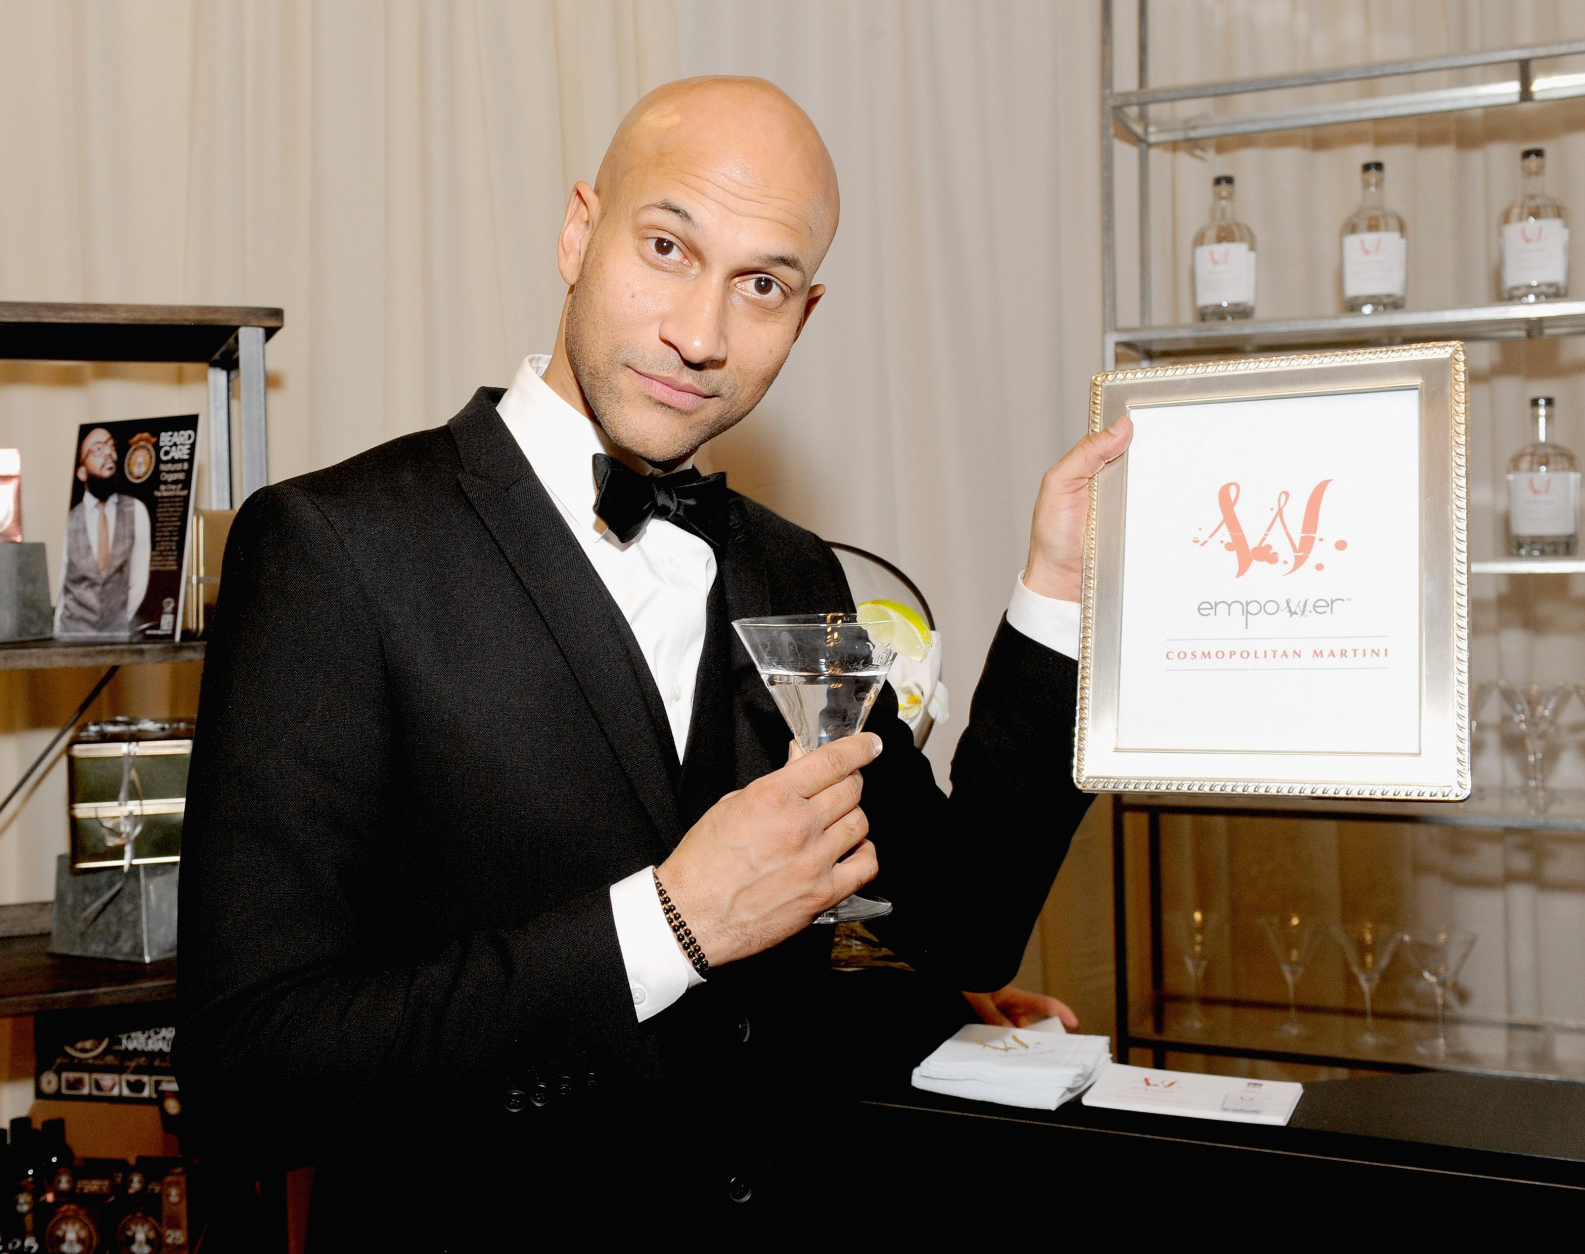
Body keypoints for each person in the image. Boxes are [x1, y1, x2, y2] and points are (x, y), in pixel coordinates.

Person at [178, 76, 1130, 1240]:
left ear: (806, 313)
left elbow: (964, 920)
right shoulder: (336, 548)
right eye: (669, 246)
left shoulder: (795, 574)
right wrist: (670, 924)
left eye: (763, 285)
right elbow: (251, 1073)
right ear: (579, 229)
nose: (702, 336)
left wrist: (1061, 595)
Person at [55, 426, 151, 636]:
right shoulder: (71, 518)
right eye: (98, 449)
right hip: (72, 633)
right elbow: (63, 579)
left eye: (110, 446)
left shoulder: (136, 511)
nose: (108, 453)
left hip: (117, 632)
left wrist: (116, 625)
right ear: (81, 472)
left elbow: (138, 579)